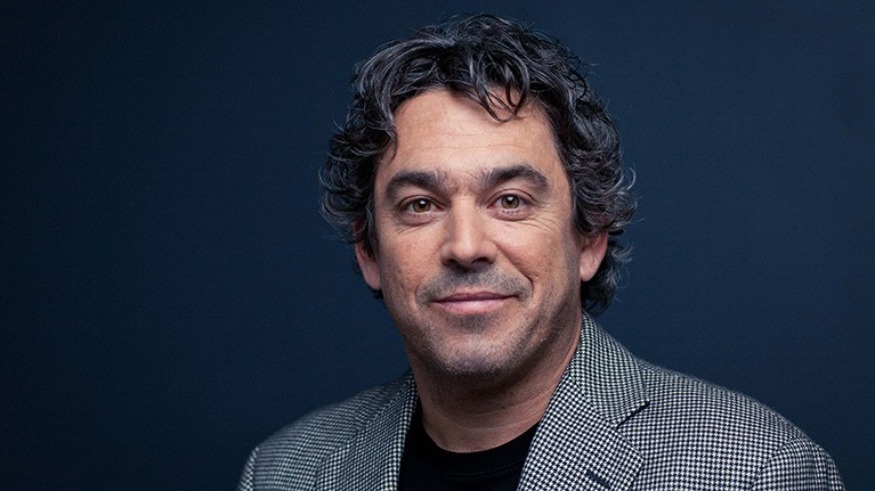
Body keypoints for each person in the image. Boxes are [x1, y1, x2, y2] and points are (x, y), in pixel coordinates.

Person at [238, 14, 843, 490]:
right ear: (369, 250)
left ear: (589, 238)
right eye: (420, 205)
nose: (466, 246)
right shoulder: (284, 472)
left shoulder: (759, 472)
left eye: (510, 201)